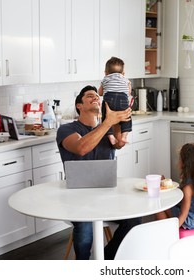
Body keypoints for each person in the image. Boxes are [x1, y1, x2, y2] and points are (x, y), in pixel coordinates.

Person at [56, 85, 141, 260]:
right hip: (77, 198)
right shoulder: (67, 130)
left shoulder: (108, 130)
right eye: (89, 96)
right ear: (79, 105)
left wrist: (122, 103)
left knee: (135, 220)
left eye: (97, 95)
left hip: (107, 196)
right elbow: (81, 148)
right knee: (86, 229)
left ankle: (106, 260)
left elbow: (119, 142)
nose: (95, 97)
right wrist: (107, 122)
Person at [156, 143, 194, 230]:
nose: (178, 161)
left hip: (190, 220)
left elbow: (183, 214)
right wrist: (166, 183)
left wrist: (174, 229)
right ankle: (165, 228)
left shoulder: (188, 188)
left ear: (186, 164)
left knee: (159, 206)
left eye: (180, 159)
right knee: (165, 205)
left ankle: (166, 232)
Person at [99, 56, 132, 146]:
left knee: (106, 118)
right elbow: (128, 93)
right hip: (123, 100)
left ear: (106, 72)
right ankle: (124, 137)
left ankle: (110, 136)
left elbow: (100, 93)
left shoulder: (105, 79)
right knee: (126, 118)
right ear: (123, 73)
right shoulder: (126, 80)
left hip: (109, 99)